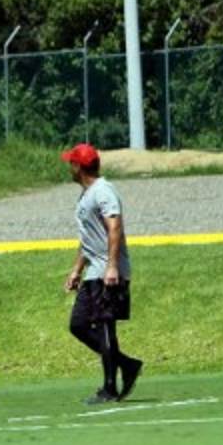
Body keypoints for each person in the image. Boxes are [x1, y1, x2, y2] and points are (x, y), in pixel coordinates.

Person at [62, 143, 144, 405]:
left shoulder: (103, 191)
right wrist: (77, 269)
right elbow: (89, 239)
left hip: (107, 271)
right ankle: (126, 364)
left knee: (106, 327)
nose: (69, 167)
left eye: (71, 163)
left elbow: (114, 227)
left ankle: (109, 388)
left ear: (78, 166)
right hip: (93, 271)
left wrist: (112, 266)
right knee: (78, 325)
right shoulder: (86, 196)